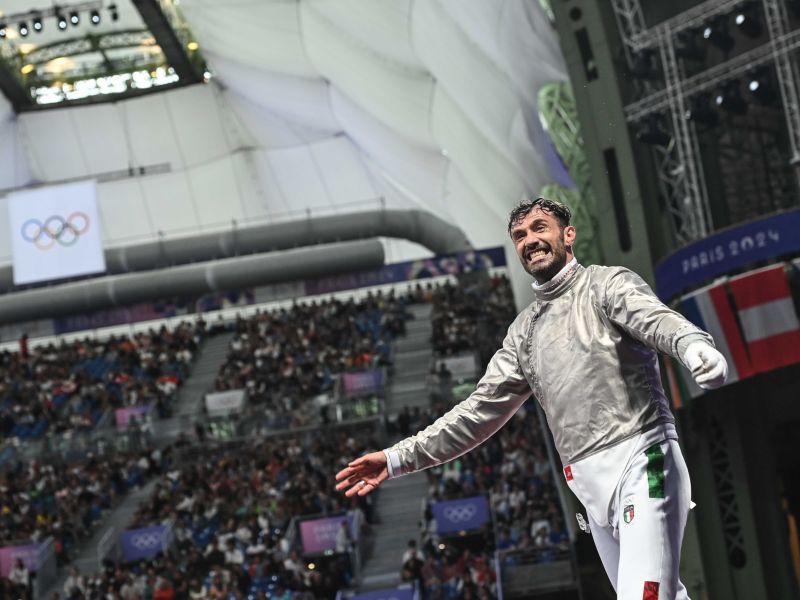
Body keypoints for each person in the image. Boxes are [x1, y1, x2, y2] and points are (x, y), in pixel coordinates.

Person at [336, 196, 728, 600]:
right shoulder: (523, 333)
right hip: (588, 490)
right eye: (520, 235)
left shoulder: (606, 284)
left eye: (540, 228)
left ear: (568, 235)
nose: (530, 240)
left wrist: (691, 343)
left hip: (644, 460)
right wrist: (397, 457)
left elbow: (654, 317)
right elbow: (476, 413)